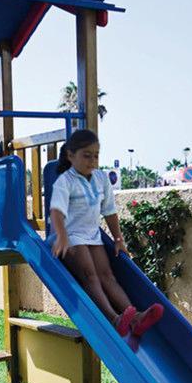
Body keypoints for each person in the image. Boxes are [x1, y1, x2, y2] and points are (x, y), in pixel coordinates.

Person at [48, 130, 164, 338]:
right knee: (91, 276)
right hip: (71, 235)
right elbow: (56, 211)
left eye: (96, 155)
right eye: (86, 155)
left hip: (93, 236)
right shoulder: (65, 181)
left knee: (107, 276)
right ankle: (114, 318)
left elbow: (109, 211)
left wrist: (118, 239)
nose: (92, 160)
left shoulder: (101, 178)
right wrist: (62, 237)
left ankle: (136, 318)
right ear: (71, 156)